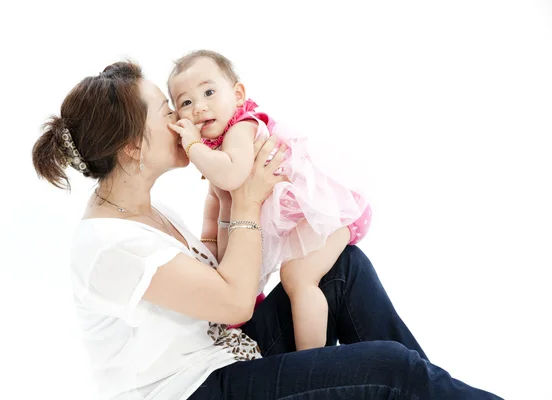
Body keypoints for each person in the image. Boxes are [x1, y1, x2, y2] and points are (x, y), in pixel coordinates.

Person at [31, 61, 502, 400]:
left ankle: (426, 389)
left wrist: (230, 197)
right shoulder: (108, 244)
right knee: (390, 368)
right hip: (194, 390)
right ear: (133, 147)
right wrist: (249, 200)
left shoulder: (149, 210)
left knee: (343, 270)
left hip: (228, 355)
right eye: (166, 110)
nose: (184, 118)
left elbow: (215, 275)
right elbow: (234, 301)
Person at [167, 50, 372, 349]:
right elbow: (221, 213)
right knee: (278, 271)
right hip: (315, 216)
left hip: (336, 211)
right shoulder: (219, 151)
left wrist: (194, 145)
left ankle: (313, 365)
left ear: (238, 94)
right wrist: (213, 251)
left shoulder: (241, 128)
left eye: (209, 92)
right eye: (186, 102)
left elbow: (231, 177)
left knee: (297, 276)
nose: (199, 107)